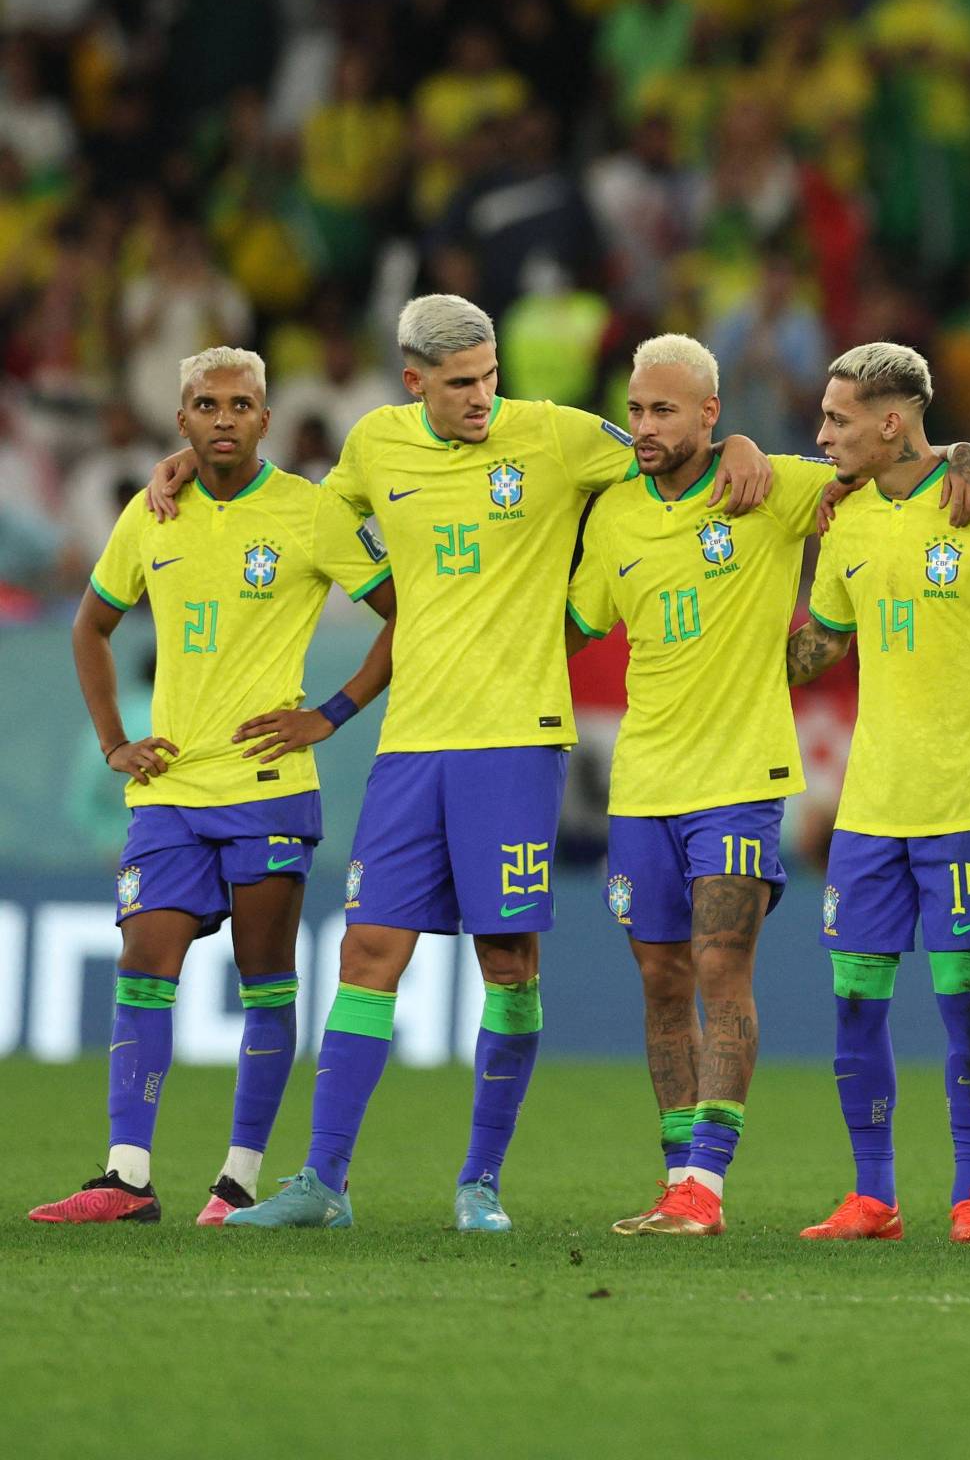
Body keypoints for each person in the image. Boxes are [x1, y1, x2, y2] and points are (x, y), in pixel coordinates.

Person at [186, 294, 775, 1232]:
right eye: (461, 385)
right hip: (412, 741)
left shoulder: (554, 436)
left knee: (507, 961)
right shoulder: (377, 445)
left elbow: (668, 454)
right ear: (414, 381)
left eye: (491, 378)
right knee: (368, 952)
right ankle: (322, 1183)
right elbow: (293, 507)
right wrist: (201, 463)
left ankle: (479, 1185)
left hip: (515, 741)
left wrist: (738, 445)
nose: (482, 398)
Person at [32, 348, 395, 1226]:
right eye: (206, 403)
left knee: (265, 978)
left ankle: (234, 1183)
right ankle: (126, 1177)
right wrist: (116, 742)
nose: (224, 416)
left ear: (267, 420)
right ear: (183, 421)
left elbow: (407, 613)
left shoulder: (309, 514)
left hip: (267, 785)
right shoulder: (149, 512)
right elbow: (90, 626)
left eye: (241, 404)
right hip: (167, 787)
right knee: (144, 959)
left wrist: (333, 712)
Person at [785, 342, 970, 1243]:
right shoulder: (848, 523)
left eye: (838, 419)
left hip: (966, 802)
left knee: (963, 1003)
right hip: (866, 807)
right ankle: (873, 1196)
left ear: (892, 421)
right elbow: (821, 645)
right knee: (857, 1002)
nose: (823, 433)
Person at [567, 336, 841, 1239]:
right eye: (638, 409)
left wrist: (960, 458)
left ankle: (707, 1187)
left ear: (711, 416)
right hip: (643, 781)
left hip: (739, 776)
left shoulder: (767, 487)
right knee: (660, 978)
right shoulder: (612, 517)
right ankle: (677, 1177)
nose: (645, 427)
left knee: (723, 967)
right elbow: (575, 624)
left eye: (666, 411)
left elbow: (877, 473)